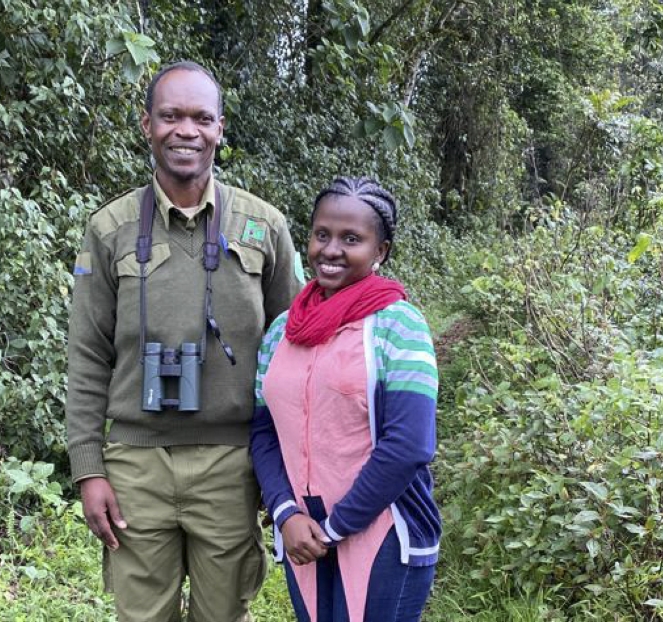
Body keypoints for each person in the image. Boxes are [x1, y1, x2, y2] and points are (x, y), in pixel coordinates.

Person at [65, 60, 302, 622]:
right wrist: (88, 467)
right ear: (147, 125)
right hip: (134, 465)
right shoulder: (110, 229)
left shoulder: (262, 227)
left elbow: (294, 352)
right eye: (170, 116)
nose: (186, 130)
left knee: (223, 615)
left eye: (201, 117)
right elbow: (88, 354)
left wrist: (287, 475)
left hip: (231, 462)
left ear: (220, 128)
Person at [250, 177, 440, 622]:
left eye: (351, 239)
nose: (331, 250)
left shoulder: (399, 326)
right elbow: (263, 430)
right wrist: (285, 513)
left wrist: (335, 527)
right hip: (302, 533)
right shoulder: (282, 331)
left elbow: (409, 445)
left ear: (381, 252)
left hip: (384, 532)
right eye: (322, 235)